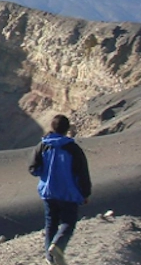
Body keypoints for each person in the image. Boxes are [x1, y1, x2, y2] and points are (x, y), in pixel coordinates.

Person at [29, 114, 92, 265]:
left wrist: (45, 174)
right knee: (68, 222)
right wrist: (85, 193)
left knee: (51, 224)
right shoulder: (73, 148)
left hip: (48, 191)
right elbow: (82, 172)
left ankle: (50, 258)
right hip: (68, 192)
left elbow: (33, 168)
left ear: (52, 127)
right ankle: (57, 246)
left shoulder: (43, 145)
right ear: (67, 129)